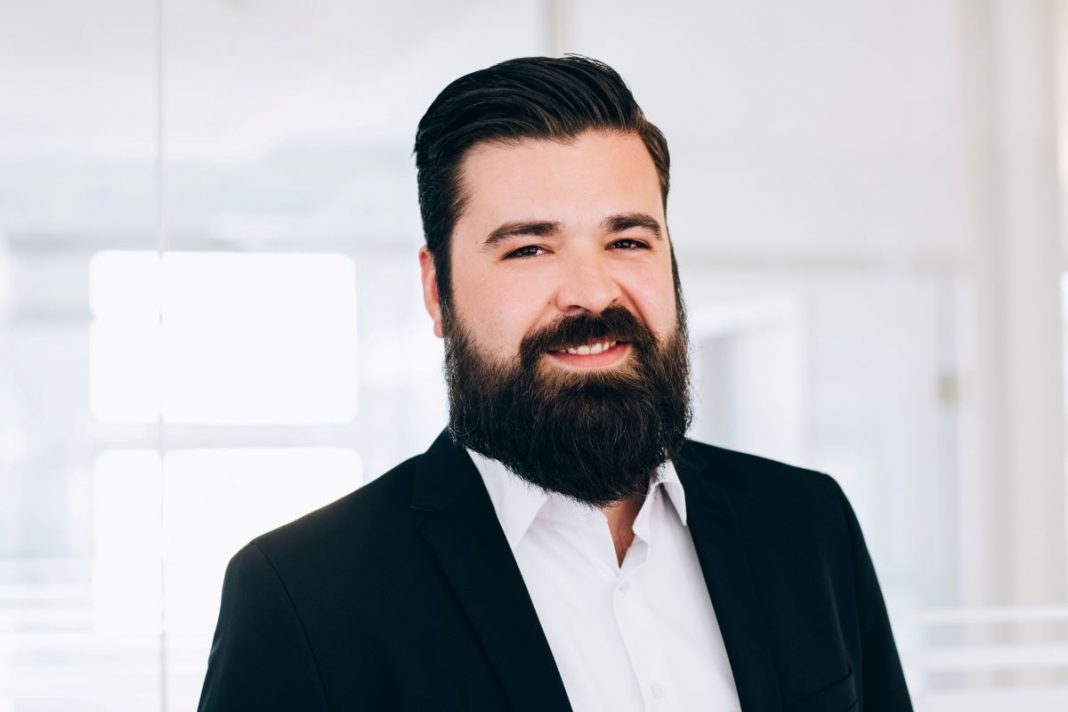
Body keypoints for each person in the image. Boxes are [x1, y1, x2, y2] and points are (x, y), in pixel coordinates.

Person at [197, 56, 912, 711]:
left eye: (627, 241)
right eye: (530, 248)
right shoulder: (304, 596)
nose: (592, 292)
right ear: (437, 292)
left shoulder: (806, 525)